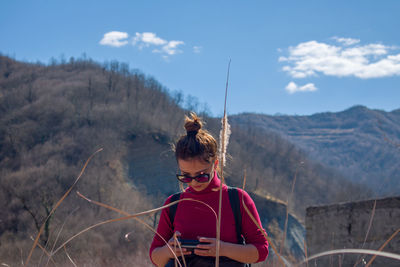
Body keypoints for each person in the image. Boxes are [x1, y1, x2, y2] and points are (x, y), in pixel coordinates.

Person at [149, 113, 268, 266]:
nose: (193, 183)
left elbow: (262, 250)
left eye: (201, 175)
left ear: (215, 164)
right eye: (186, 176)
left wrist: (223, 249)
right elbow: (155, 257)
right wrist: (168, 251)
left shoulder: (237, 199)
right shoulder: (173, 204)